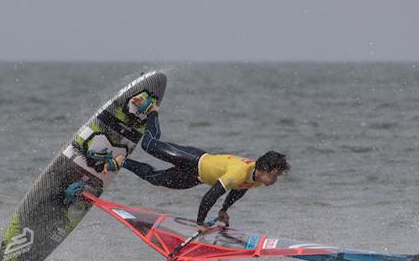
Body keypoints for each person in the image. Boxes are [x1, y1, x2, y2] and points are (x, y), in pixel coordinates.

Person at [116, 92, 290, 232]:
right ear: (263, 169)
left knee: (153, 178)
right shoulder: (237, 172)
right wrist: (200, 223)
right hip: (192, 159)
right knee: (149, 145)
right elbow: (210, 195)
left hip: (194, 177)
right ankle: (151, 109)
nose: (275, 180)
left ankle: (122, 161)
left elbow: (240, 189)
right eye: (274, 176)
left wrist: (224, 210)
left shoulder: (256, 179)